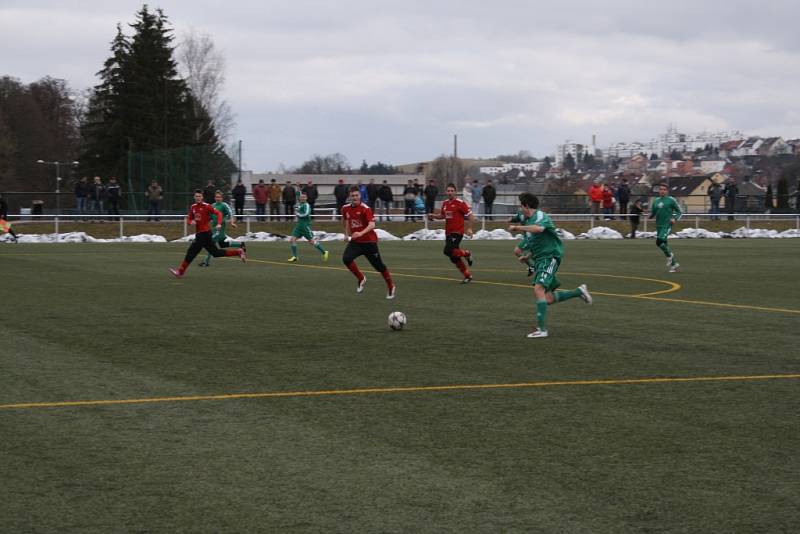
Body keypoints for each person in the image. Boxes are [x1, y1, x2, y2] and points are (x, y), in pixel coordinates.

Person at [508, 193, 592, 338]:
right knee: (547, 299)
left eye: (521, 206)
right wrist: (527, 257)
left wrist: (517, 227)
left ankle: (542, 330)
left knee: (538, 289)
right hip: (541, 259)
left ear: (526, 206)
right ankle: (578, 291)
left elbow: (538, 229)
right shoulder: (528, 219)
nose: (520, 209)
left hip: (550, 256)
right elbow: (537, 241)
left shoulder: (540, 216)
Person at [170, 190, 245, 277]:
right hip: (202, 234)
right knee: (215, 253)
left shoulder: (207, 206)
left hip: (204, 234)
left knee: (191, 252)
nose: (198, 198)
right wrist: (191, 222)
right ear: (194, 197)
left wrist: (219, 223)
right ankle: (238, 252)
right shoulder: (193, 207)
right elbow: (189, 219)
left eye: (199, 196)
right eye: (196, 196)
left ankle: (180, 271)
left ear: (202, 197)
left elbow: (219, 213)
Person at [341, 186, 396, 299]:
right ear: (349, 197)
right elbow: (346, 220)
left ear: (360, 196)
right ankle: (361, 278)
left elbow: (372, 225)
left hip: (369, 242)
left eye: (357, 195)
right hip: (356, 242)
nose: (355, 197)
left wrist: (360, 233)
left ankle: (391, 286)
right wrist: (346, 234)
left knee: (379, 267)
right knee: (346, 258)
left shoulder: (365, 208)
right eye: (353, 196)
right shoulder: (345, 208)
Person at [429, 183, 474, 283]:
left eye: (452, 191)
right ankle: (467, 275)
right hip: (448, 233)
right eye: (448, 191)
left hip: (457, 232)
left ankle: (467, 253)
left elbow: (471, 216)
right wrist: (433, 216)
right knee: (453, 257)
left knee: (447, 250)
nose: (450, 193)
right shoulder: (445, 203)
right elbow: (443, 216)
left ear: (455, 192)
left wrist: (470, 228)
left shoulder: (460, 203)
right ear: (446, 192)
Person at [199, 190, 246, 267]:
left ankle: (206, 262)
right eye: (217, 197)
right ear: (214, 197)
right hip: (214, 227)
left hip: (220, 227)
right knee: (222, 244)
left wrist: (232, 222)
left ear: (222, 198)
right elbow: (209, 216)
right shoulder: (212, 205)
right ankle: (240, 244)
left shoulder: (224, 205)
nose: (218, 198)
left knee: (211, 242)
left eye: (219, 197)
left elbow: (230, 213)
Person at [288, 192, 329, 263]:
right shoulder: (300, 203)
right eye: (302, 197)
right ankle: (295, 257)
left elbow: (306, 214)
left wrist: (298, 214)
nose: (302, 198)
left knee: (311, 241)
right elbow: (298, 194)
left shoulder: (306, 205)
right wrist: (298, 188)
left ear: (306, 198)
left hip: (305, 226)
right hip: (299, 226)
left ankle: (324, 252)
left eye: (304, 197)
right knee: (292, 240)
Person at [650, 182, 682, 272]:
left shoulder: (671, 200)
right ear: (658, 191)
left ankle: (670, 255)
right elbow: (653, 213)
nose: (662, 191)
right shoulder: (655, 201)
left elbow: (679, 212)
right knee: (663, 245)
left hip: (667, 225)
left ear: (667, 191)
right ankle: (674, 265)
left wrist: (674, 219)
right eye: (660, 189)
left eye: (664, 189)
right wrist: (648, 216)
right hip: (659, 226)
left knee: (659, 241)